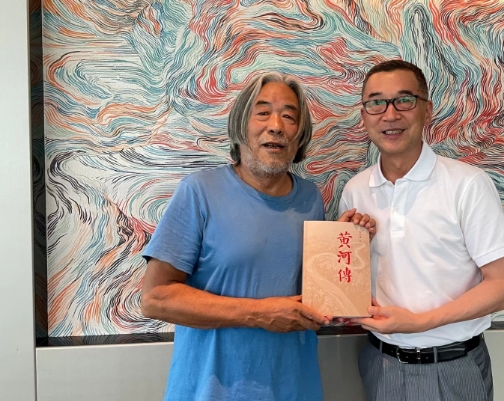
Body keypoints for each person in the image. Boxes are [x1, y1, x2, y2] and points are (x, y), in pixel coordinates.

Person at [141, 71, 375, 401]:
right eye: (263, 112)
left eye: (289, 117)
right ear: (241, 126)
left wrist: (344, 246)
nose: (276, 125)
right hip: (211, 391)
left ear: (300, 136)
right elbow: (155, 298)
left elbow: (310, 297)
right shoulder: (199, 192)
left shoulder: (310, 198)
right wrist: (259, 314)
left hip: (294, 387)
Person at [340, 60, 504, 401]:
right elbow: (348, 288)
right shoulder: (355, 190)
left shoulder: (467, 184)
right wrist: (346, 246)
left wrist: (421, 321)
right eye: (376, 103)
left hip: (453, 367)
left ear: (427, 110)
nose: (390, 114)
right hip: (380, 363)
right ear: (363, 115)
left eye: (404, 100)